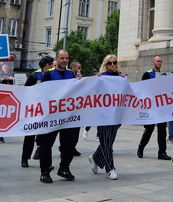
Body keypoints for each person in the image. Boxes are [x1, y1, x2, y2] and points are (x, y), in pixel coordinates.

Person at [36, 49, 80, 183]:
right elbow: (43, 93)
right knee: (46, 144)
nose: (65, 61)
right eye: (62, 58)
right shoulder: (48, 75)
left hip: (67, 117)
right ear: (57, 59)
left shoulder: (71, 74)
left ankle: (64, 168)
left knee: (70, 143)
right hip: (51, 116)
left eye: (66, 58)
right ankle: (45, 171)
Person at [88, 55, 128, 180]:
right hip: (103, 115)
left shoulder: (121, 78)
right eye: (109, 63)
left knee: (109, 141)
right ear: (106, 65)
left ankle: (95, 158)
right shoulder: (101, 77)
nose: (112, 65)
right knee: (105, 141)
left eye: (114, 62)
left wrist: (124, 79)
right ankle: (110, 168)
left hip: (116, 115)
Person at [21, 56, 54, 167]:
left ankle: (44, 160)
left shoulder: (53, 74)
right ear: (45, 64)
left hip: (47, 111)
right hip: (34, 110)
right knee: (29, 136)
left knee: (45, 138)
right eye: (50, 63)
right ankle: (25, 158)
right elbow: (25, 91)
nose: (52, 65)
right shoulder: (35, 75)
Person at [137, 56, 170, 161]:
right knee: (149, 129)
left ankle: (162, 152)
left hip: (161, 106)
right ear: (153, 62)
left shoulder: (164, 75)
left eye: (161, 61)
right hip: (150, 107)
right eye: (158, 61)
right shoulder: (147, 74)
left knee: (162, 130)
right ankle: (141, 147)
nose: (159, 63)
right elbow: (143, 89)